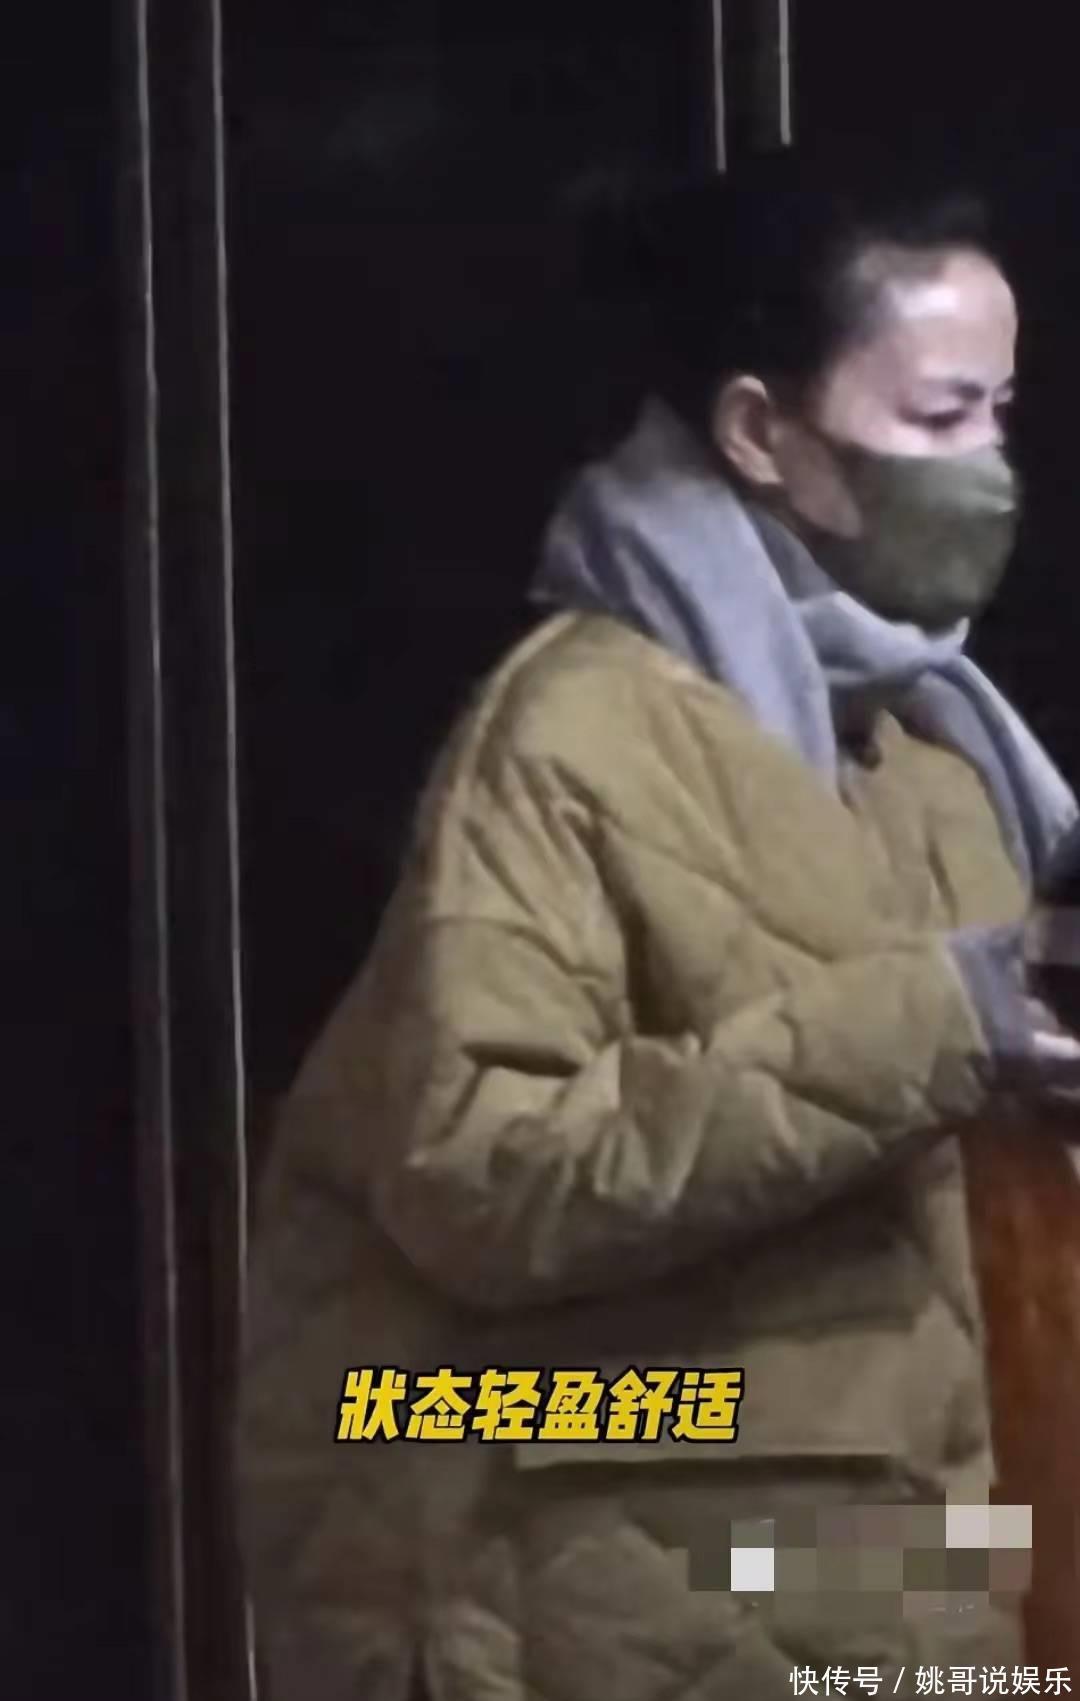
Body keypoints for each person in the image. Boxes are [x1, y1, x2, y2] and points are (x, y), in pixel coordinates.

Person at [238, 154, 1080, 1701]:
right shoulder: (572, 736)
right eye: (939, 417)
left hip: (891, 1564)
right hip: (636, 1578)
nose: (990, 468)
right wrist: (937, 1022)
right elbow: (478, 1174)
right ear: (760, 429)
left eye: (1002, 413)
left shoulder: (935, 753)